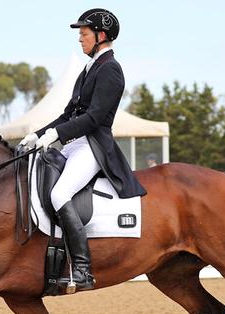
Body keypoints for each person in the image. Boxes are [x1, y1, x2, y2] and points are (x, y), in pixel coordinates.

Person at [19, 8, 146, 292]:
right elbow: (68, 115)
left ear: (101, 36)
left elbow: (95, 118)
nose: (80, 39)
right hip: (76, 143)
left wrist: (56, 134)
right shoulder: (87, 69)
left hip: (94, 145)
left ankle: (82, 269)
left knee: (59, 193)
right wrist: (38, 135)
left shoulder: (111, 69)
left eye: (84, 34)